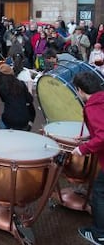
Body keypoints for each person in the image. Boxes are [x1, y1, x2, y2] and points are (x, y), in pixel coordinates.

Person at [72, 72, 104, 245]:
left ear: (80, 90)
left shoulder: (92, 107)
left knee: (99, 193)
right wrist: (87, 138)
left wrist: (83, 148)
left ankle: (99, 234)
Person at [0, 63, 35, 131]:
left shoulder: (1, 87)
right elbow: (30, 99)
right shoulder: (21, 83)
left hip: (9, 118)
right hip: (24, 119)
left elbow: (3, 99)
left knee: (2, 125)